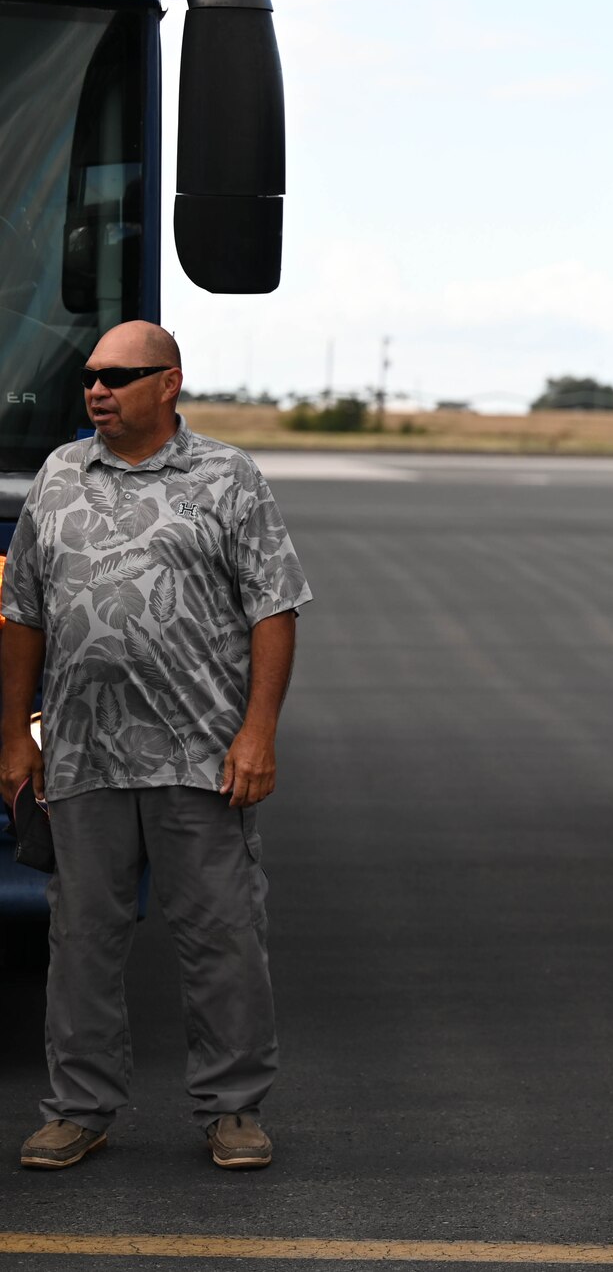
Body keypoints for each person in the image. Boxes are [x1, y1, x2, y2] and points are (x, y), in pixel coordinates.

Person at [1, 321, 311, 1171]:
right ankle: (79, 1107)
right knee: (81, 939)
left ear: (168, 383)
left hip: (200, 754)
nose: (97, 390)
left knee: (221, 934)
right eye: (91, 377)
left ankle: (234, 1108)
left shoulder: (227, 477)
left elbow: (274, 607)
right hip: (83, 756)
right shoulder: (60, 477)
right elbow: (22, 613)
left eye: (118, 376)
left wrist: (258, 732)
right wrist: (16, 738)